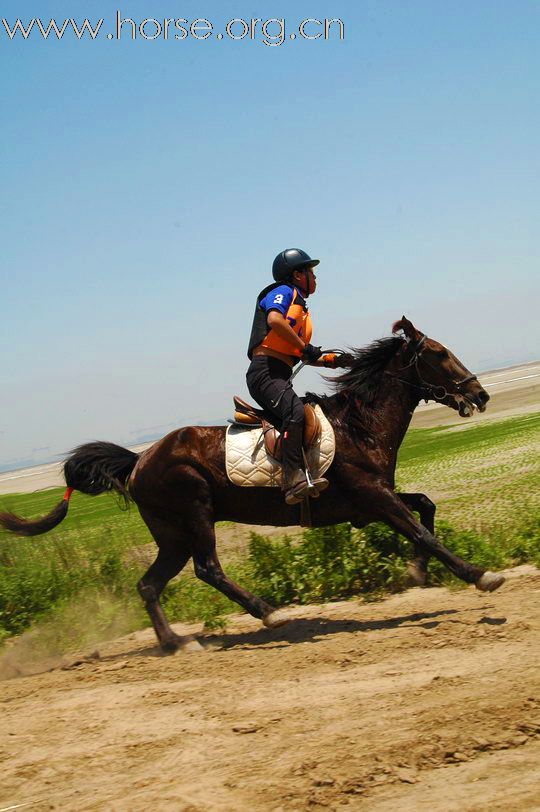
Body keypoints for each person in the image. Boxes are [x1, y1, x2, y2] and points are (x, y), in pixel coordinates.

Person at [246, 248, 351, 505]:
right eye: (311, 273)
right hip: (265, 372)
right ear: (297, 274)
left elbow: (303, 354)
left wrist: (333, 361)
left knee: (301, 412)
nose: (315, 278)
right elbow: (275, 320)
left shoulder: (300, 305)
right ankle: (292, 480)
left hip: (278, 372)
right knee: (294, 412)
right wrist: (305, 348)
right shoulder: (284, 292)